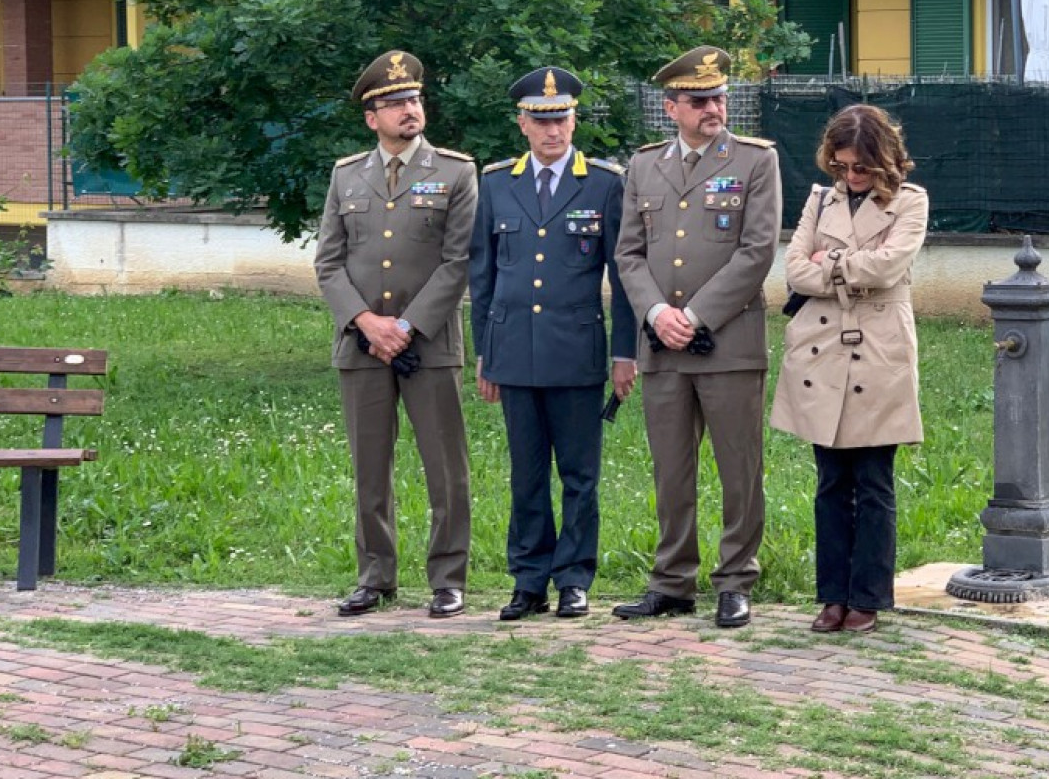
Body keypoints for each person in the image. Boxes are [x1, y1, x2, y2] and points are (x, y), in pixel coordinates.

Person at [612, 45, 782, 629]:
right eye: (699, 99)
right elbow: (628, 253)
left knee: (739, 469)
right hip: (661, 345)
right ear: (671, 107)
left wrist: (697, 316)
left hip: (727, 344)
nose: (713, 108)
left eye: (718, 97)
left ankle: (736, 580)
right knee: (671, 469)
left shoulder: (756, 161)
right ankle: (672, 580)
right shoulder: (643, 166)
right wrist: (657, 313)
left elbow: (757, 251)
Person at [469, 66, 638, 621]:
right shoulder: (496, 184)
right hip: (514, 352)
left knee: (580, 476)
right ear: (522, 124)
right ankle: (528, 579)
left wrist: (623, 353)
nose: (553, 131)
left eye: (562, 119)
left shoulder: (605, 184)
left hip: (577, 354)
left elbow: (625, 277)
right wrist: (485, 354)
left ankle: (574, 578)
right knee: (526, 475)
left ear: (574, 120)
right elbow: (483, 278)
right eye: (541, 121)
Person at [314, 49, 478, 619]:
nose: (409, 109)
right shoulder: (345, 175)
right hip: (361, 345)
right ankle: (375, 576)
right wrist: (366, 323)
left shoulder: (457, 172)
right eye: (394, 103)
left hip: (428, 345)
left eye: (413, 99)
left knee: (446, 468)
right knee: (370, 469)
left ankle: (448, 578)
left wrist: (406, 327)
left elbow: (457, 263)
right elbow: (328, 264)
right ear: (371, 117)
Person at [769, 105, 927, 635]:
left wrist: (827, 267)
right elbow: (793, 269)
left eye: (860, 167)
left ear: (882, 160)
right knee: (831, 480)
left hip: (879, 350)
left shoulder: (911, 201)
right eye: (841, 167)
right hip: (822, 349)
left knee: (874, 481)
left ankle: (869, 597)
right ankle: (832, 595)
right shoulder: (820, 200)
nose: (850, 177)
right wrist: (847, 271)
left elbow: (889, 267)